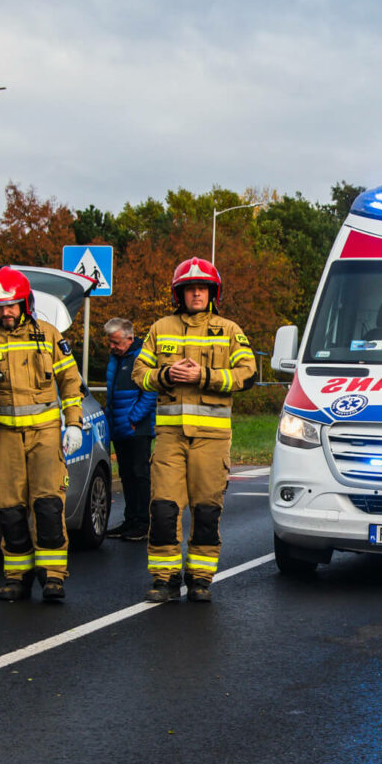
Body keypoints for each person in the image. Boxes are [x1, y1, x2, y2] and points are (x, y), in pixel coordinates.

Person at [132, 257, 257, 603]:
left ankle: (200, 579)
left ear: (213, 292)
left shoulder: (229, 330)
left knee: (206, 511)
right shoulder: (160, 328)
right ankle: (165, 579)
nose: (197, 294)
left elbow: (248, 374)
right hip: (169, 437)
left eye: (203, 288)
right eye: (190, 289)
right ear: (179, 294)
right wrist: (164, 375)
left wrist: (204, 376)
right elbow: (139, 373)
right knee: (163, 509)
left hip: (211, 439)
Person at [0, 266, 85, 602]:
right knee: (9, 509)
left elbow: (70, 383)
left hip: (45, 435)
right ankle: (17, 577)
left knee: (48, 506)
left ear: (25, 303)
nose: (6, 312)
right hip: (4, 439)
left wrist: (74, 423)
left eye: (11, 305)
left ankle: (53, 576)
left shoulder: (48, 334)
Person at [103, 316, 156, 542]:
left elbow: (150, 392)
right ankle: (130, 520)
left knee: (140, 474)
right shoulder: (116, 359)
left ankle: (143, 523)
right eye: (110, 341)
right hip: (119, 427)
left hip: (137, 427)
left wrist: (134, 418)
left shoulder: (142, 357)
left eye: (116, 342)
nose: (112, 346)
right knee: (126, 475)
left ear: (130, 338)